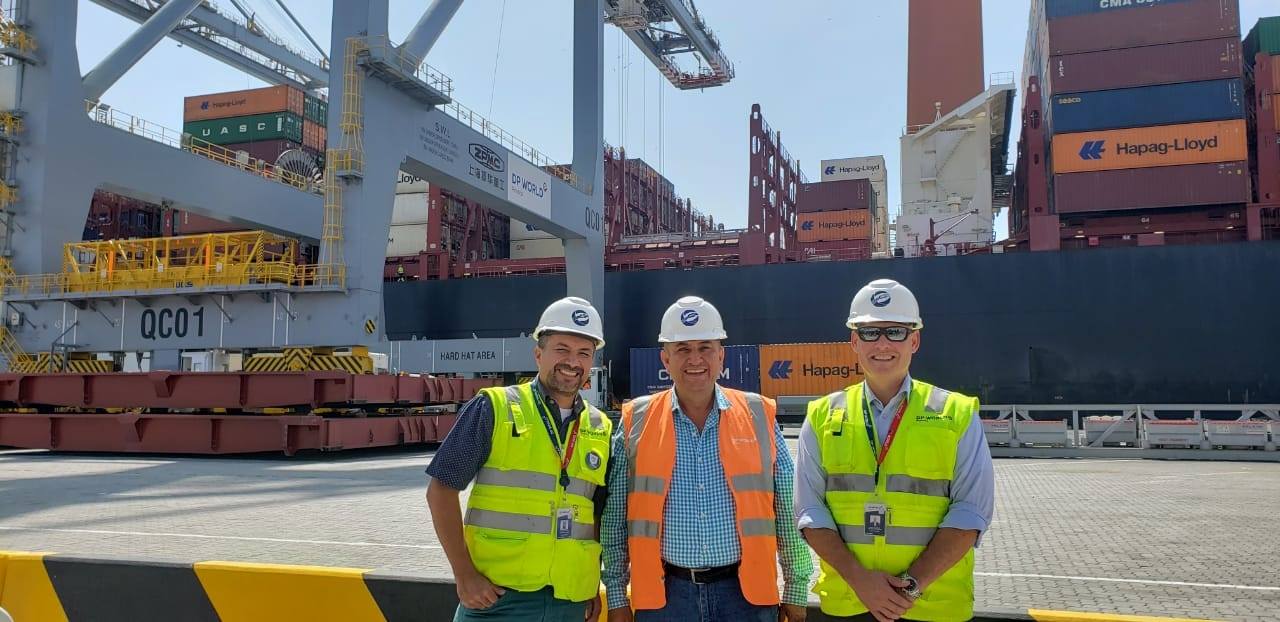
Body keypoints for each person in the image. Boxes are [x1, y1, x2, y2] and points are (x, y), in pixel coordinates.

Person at [602, 296, 813, 622]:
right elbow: (615, 520)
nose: (695, 359)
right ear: (665, 359)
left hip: (745, 598)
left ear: (721, 355)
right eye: (683, 349)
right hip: (665, 598)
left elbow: (787, 510)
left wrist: (796, 589)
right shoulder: (636, 421)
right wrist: (616, 596)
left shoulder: (758, 414)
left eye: (705, 347)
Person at [795, 279, 994, 622]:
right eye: (870, 333)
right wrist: (861, 582)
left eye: (896, 332)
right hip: (849, 603)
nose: (883, 343)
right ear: (854, 342)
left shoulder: (956, 414)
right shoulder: (822, 415)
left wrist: (910, 588)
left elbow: (971, 512)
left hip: (931, 607)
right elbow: (810, 512)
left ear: (914, 340)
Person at [426, 296, 613, 621]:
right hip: (497, 600)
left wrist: (591, 582)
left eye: (584, 353)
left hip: (569, 602)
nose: (572, 362)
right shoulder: (493, 408)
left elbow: (595, 513)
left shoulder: (600, 427)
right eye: (562, 349)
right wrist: (464, 574)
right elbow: (440, 491)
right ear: (538, 354)